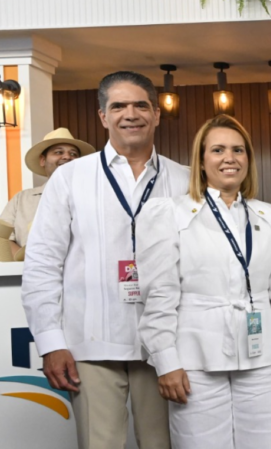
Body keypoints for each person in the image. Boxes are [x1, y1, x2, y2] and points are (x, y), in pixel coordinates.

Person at [22, 71, 189, 449]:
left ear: (157, 114)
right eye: (118, 106)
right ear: (103, 116)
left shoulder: (183, 179)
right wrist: (50, 342)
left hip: (166, 347)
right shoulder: (70, 177)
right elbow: (42, 263)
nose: (131, 114)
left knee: (164, 445)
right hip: (89, 344)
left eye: (141, 105)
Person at [135, 114, 271, 449]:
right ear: (200, 161)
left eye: (238, 150)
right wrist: (165, 361)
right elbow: (159, 295)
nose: (230, 158)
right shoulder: (170, 214)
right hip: (194, 362)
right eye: (218, 150)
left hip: (263, 360)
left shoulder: (268, 216)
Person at [0, 127, 94, 260]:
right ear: (42, 160)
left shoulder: (93, 197)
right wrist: (25, 262)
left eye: (73, 154)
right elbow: (4, 238)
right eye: (58, 152)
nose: (67, 157)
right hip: (29, 269)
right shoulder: (21, 199)